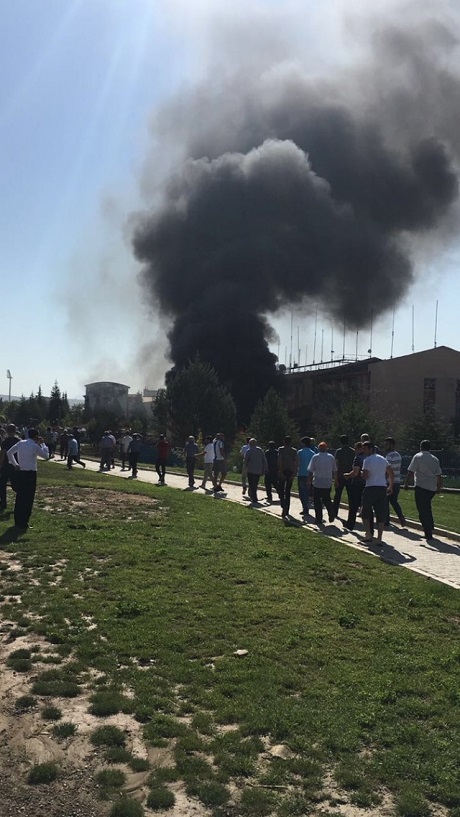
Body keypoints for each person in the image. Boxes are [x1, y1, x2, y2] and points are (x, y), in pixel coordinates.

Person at [7, 428, 49, 529]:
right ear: (36, 436)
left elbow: (9, 453)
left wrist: (15, 464)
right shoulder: (35, 446)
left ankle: (17, 520)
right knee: (28, 498)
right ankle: (24, 521)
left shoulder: (21, 443)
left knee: (20, 497)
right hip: (30, 473)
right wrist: (43, 444)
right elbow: (46, 456)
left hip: (21, 472)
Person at [404, 440, 442, 542]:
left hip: (421, 486)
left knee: (422, 510)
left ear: (420, 447)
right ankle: (430, 526)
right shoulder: (435, 459)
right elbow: (439, 475)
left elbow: (411, 471)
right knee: (427, 507)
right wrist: (438, 487)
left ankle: (428, 531)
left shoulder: (418, 457)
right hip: (431, 487)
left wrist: (407, 483)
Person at [361, 442, 394, 545]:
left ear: (371, 449)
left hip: (370, 487)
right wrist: (390, 486)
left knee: (365, 511)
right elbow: (391, 473)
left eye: (365, 449)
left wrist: (361, 473)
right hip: (382, 488)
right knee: (380, 513)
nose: (363, 451)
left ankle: (368, 534)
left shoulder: (367, 460)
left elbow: (365, 476)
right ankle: (379, 538)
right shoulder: (383, 459)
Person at [307, 441, 337, 525]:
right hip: (327, 481)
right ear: (326, 448)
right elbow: (335, 470)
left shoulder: (315, 457)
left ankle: (318, 519)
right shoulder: (331, 457)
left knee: (317, 501)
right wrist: (336, 480)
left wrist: (309, 480)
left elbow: (311, 470)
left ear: (319, 448)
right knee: (327, 499)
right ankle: (331, 512)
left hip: (318, 482)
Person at [342, 441, 366, 531]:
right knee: (364, 504)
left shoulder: (358, 458)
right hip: (366, 483)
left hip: (357, 483)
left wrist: (347, 475)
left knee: (353, 505)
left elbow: (355, 472)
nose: (355, 451)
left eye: (356, 449)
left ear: (360, 449)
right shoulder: (368, 457)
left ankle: (350, 523)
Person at [384, 437, 406, 526]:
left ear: (392, 445)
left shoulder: (389, 456)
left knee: (385, 501)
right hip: (397, 481)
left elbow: (387, 470)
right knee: (394, 501)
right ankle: (401, 517)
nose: (385, 446)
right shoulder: (398, 455)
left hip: (389, 482)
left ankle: (386, 521)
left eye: (387, 444)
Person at [333, 435, 355, 517]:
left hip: (340, 476)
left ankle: (334, 512)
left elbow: (337, 465)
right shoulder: (353, 451)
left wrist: (335, 478)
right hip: (350, 476)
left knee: (337, 495)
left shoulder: (339, 451)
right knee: (351, 497)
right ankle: (351, 514)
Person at [277, 435, 299, 518]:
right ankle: (287, 509)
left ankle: (283, 504)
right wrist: (294, 473)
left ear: (284, 441)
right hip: (290, 471)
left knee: (281, 489)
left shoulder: (281, 449)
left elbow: (280, 460)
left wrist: (280, 471)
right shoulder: (294, 451)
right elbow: (296, 462)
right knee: (287, 491)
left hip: (283, 470)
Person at [0, 424, 20, 511]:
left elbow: (3, 453)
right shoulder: (19, 441)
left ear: (7, 431)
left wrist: (0, 464)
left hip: (6, 465)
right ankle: (19, 502)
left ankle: (3, 503)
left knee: (2, 484)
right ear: (15, 430)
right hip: (16, 465)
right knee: (15, 485)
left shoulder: (5, 441)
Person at [244, 438, 268, 503]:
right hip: (258, 470)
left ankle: (253, 497)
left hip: (251, 470)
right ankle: (254, 496)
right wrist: (265, 468)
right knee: (255, 483)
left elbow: (245, 460)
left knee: (251, 484)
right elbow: (264, 460)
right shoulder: (260, 450)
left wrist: (245, 467)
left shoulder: (249, 451)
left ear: (250, 444)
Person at [297, 436, 316, 516]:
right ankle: (306, 506)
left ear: (304, 443)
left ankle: (305, 507)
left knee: (302, 492)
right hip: (309, 474)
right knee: (307, 491)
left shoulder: (300, 452)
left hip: (301, 473)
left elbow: (298, 462)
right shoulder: (313, 453)